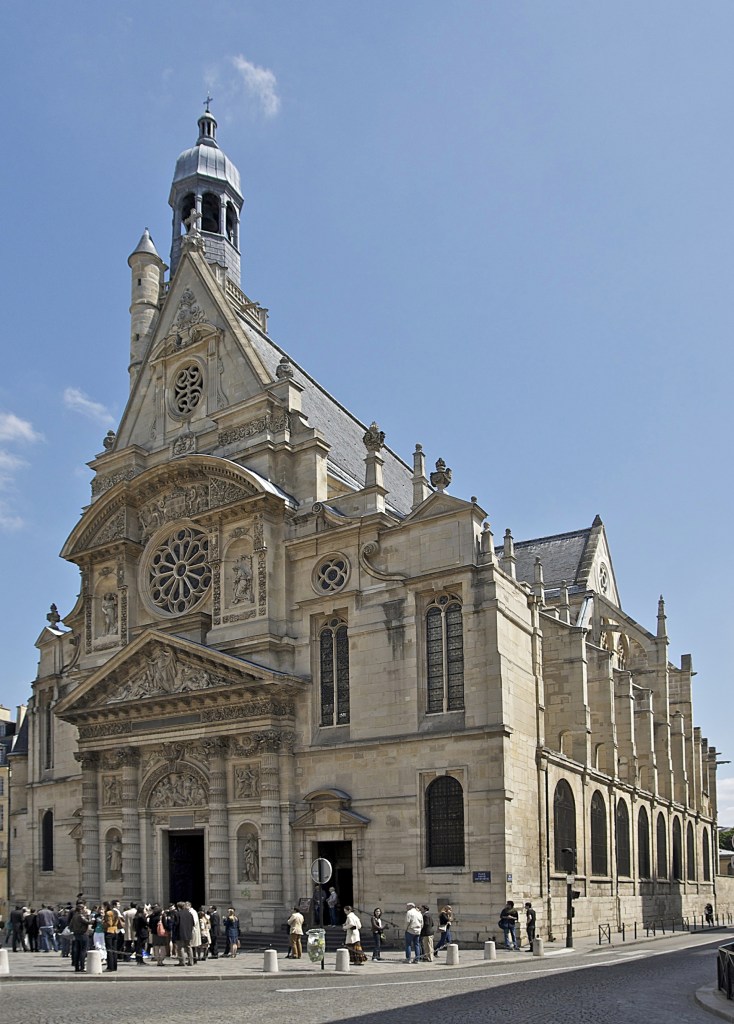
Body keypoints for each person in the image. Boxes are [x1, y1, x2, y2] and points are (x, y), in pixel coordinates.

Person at [69, 901, 91, 972]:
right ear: (81, 909)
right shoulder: (80, 916)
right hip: (83, 934)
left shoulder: (74, 916)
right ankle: (82, 966)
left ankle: (76, 967)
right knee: (83, 951)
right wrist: (90, 917)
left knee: (77, 951)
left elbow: (70, 926)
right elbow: (88, 922)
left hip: (76, 934)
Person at [103, 901, 120, 971]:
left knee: (109, 950)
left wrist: (103, 923)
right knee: (114, 950)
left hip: (109, 931)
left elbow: (109, 923)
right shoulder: (115, 912)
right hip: (115, 930)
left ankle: (110, 966)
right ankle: (114, 966)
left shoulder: (108, 913)